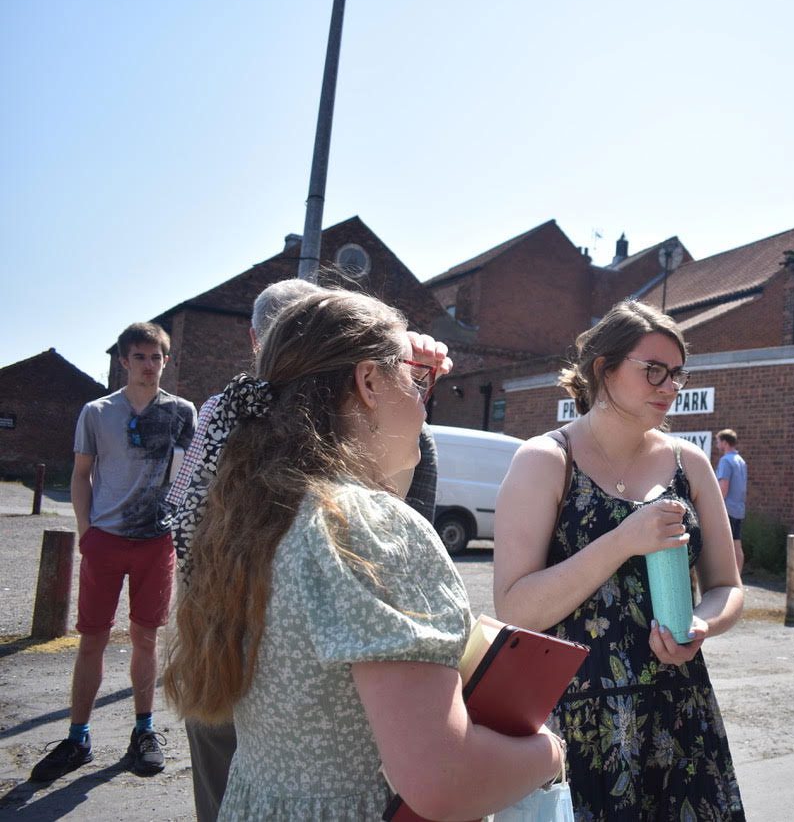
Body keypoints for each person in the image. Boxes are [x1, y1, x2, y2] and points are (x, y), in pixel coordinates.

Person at [163, 289, 563, 820]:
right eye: (414, 379)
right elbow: (443, 780)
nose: (424, 401)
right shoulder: (370, 529)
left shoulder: (256, 513)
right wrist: (548, 753)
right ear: (369, 381)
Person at [493, 299, 746, 821]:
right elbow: (515, 607)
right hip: (578, 721)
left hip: (679, 712)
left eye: (676, 373)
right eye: (653, 369)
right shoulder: (546, 460)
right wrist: (622, 540)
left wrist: (702, 623)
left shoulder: (689, 463)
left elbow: (729, 587)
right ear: (603, 368)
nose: (669, 386)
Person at [31, 323, 195, 782]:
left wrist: (179, 529)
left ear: (166, 361)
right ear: (124, 361)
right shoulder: (97, 412)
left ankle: (143, 731)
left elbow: (189, 479)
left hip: (155, 542)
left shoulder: (182, 412)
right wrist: (86, 532)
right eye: (140, 357)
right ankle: (78, 736)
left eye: (156, 358)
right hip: (105, 538)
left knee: (145, 639)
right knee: (93, 639)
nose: (149, 365)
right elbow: (81, 475)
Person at [715, 428, 748, 572]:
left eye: (718, 441)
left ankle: (725, 577)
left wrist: (716, 507)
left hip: (727, 509)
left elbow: (723, 486)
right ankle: (737, 579)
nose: (717, 445)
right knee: (737, 545)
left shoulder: (725, 461)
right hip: (739, 509)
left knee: (722, 546)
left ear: (725, 443)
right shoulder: (741, 461)